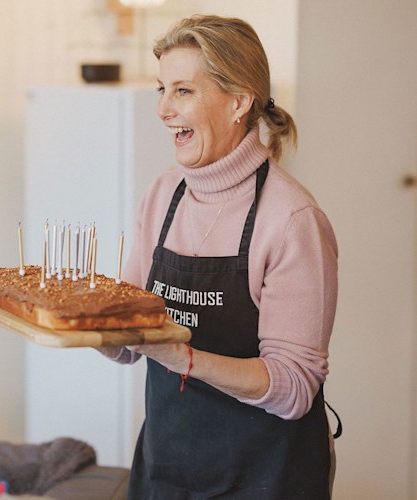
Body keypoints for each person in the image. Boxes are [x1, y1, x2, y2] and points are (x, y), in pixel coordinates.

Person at [98, 14, 338, 499]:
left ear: (239, 101)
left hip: (266, 477)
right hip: (167, 467)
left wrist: (182, 357)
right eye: (161, 89)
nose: (164, 109)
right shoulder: (162, 195)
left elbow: (293, 389)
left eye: (183, 90)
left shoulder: (292, 220)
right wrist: (79, 323)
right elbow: (128, 345)